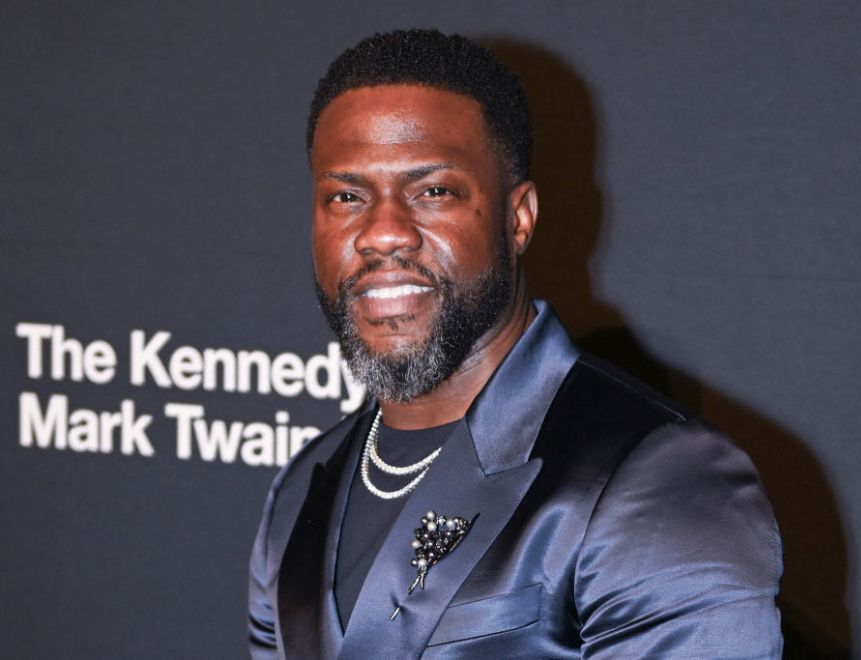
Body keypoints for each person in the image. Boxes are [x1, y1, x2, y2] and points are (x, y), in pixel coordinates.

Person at [248, 28, 782, 659]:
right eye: (346, 197)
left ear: (519, 217)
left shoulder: (657, 477)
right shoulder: (300, 493)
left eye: (433, 192)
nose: (381, 233)